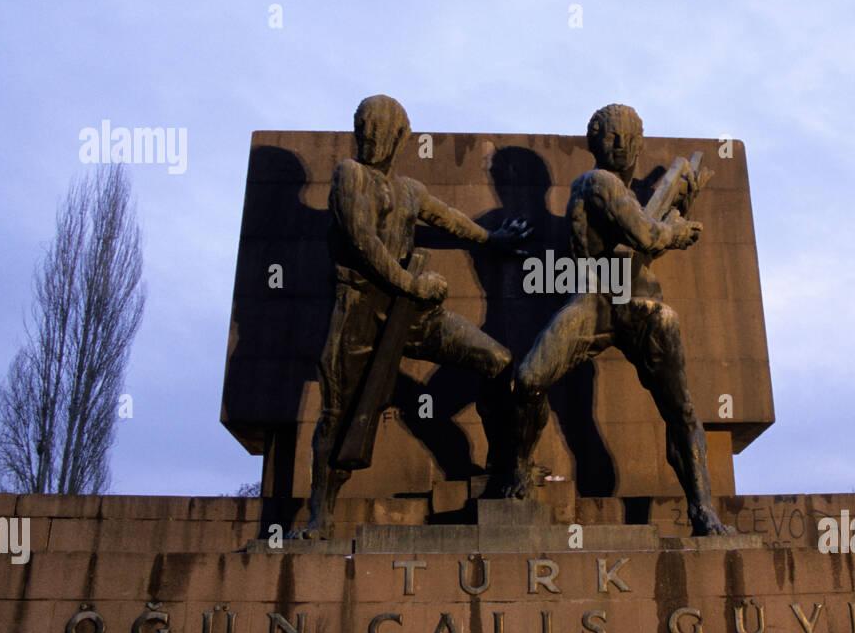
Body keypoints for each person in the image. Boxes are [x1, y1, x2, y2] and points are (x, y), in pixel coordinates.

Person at [294, 95, 528, 538]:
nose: (370, 135)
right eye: (363, 126)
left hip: (412, 313)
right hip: (360, 311)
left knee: (497, 361)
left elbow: (451, 220)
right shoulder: (350, 175)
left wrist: (491, 239)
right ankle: (320, 515)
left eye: (381, 128)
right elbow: (363, 241)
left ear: (400, 137)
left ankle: (503, 469)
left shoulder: (409, 191)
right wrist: (413, 284)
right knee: (339, 414)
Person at [505, 103, 732, 535]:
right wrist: (676, 231)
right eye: (611, 135)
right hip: (594, 301)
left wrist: (678, 202)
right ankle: (516, 471)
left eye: (629, 135)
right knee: (530, 379)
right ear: (595, 143)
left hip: (641, 304)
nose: (622, 143)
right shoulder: (596, 182)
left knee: (681, 409)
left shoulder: (628, 197)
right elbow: (645, 235)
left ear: (640, 142)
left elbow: (640, 244)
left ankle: (703, 510)